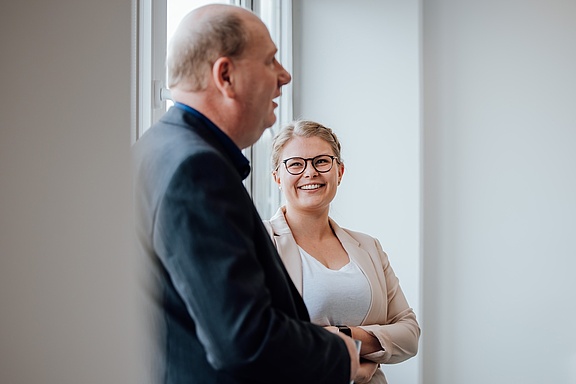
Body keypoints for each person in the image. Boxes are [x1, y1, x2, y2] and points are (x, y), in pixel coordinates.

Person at [132, 5, 360, 384]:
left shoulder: (154, 149)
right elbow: (244, 340)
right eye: (271, 61)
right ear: (226, 76)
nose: (285, 76)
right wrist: (342, 354)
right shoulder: (197, 171)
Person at [264, 120, 421, 384]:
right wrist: (356, 362)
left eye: (321, 161)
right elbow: (258, 339)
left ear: (340, 172)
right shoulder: (259, 242)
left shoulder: (369, 246)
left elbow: (409, 334)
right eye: (295, 164)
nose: (310, 172)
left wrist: (344, 336)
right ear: (278, 177)